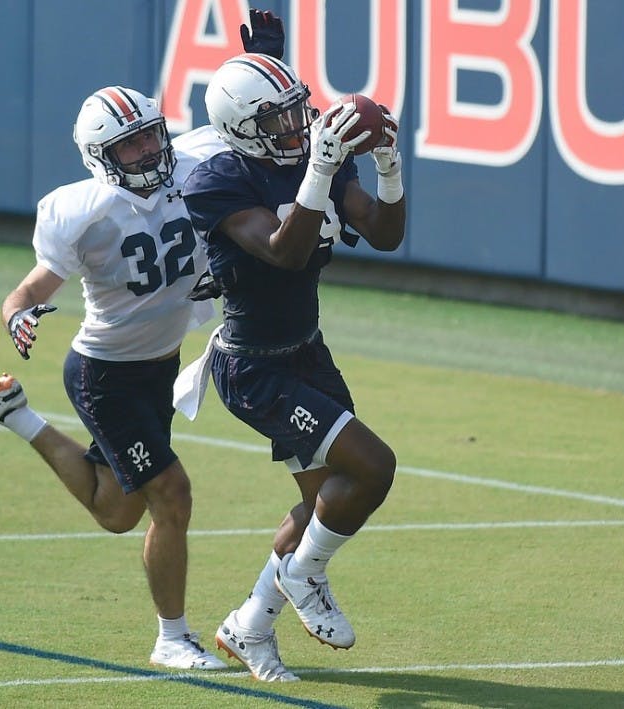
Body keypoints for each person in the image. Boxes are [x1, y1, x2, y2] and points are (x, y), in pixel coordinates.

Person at [0, 84, 231, 670]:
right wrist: (17, 313)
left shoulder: (196, 160)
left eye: (149, 134)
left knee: (117, 512)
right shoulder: (82, 209)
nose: (146, 150)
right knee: (172, 495)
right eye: (129, 144)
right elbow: (31, 287)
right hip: (105, 373)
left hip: (159, 366)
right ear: (99, 157)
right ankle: (172, 638)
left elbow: (246, 113)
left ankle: (13, 411)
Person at [174, 41, 406, 681]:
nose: (295, 126)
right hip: (254, 370)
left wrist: (386, 163)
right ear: (240, 129)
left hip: (307, 351)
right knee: (374, 467)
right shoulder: (218, 178)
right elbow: (284, 252)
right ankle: (305, 572)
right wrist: (320, 171)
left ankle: (249, 625)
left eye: (295, 110)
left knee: (323, 502)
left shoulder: (308, 151)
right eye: (275, 117)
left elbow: (385, 233)